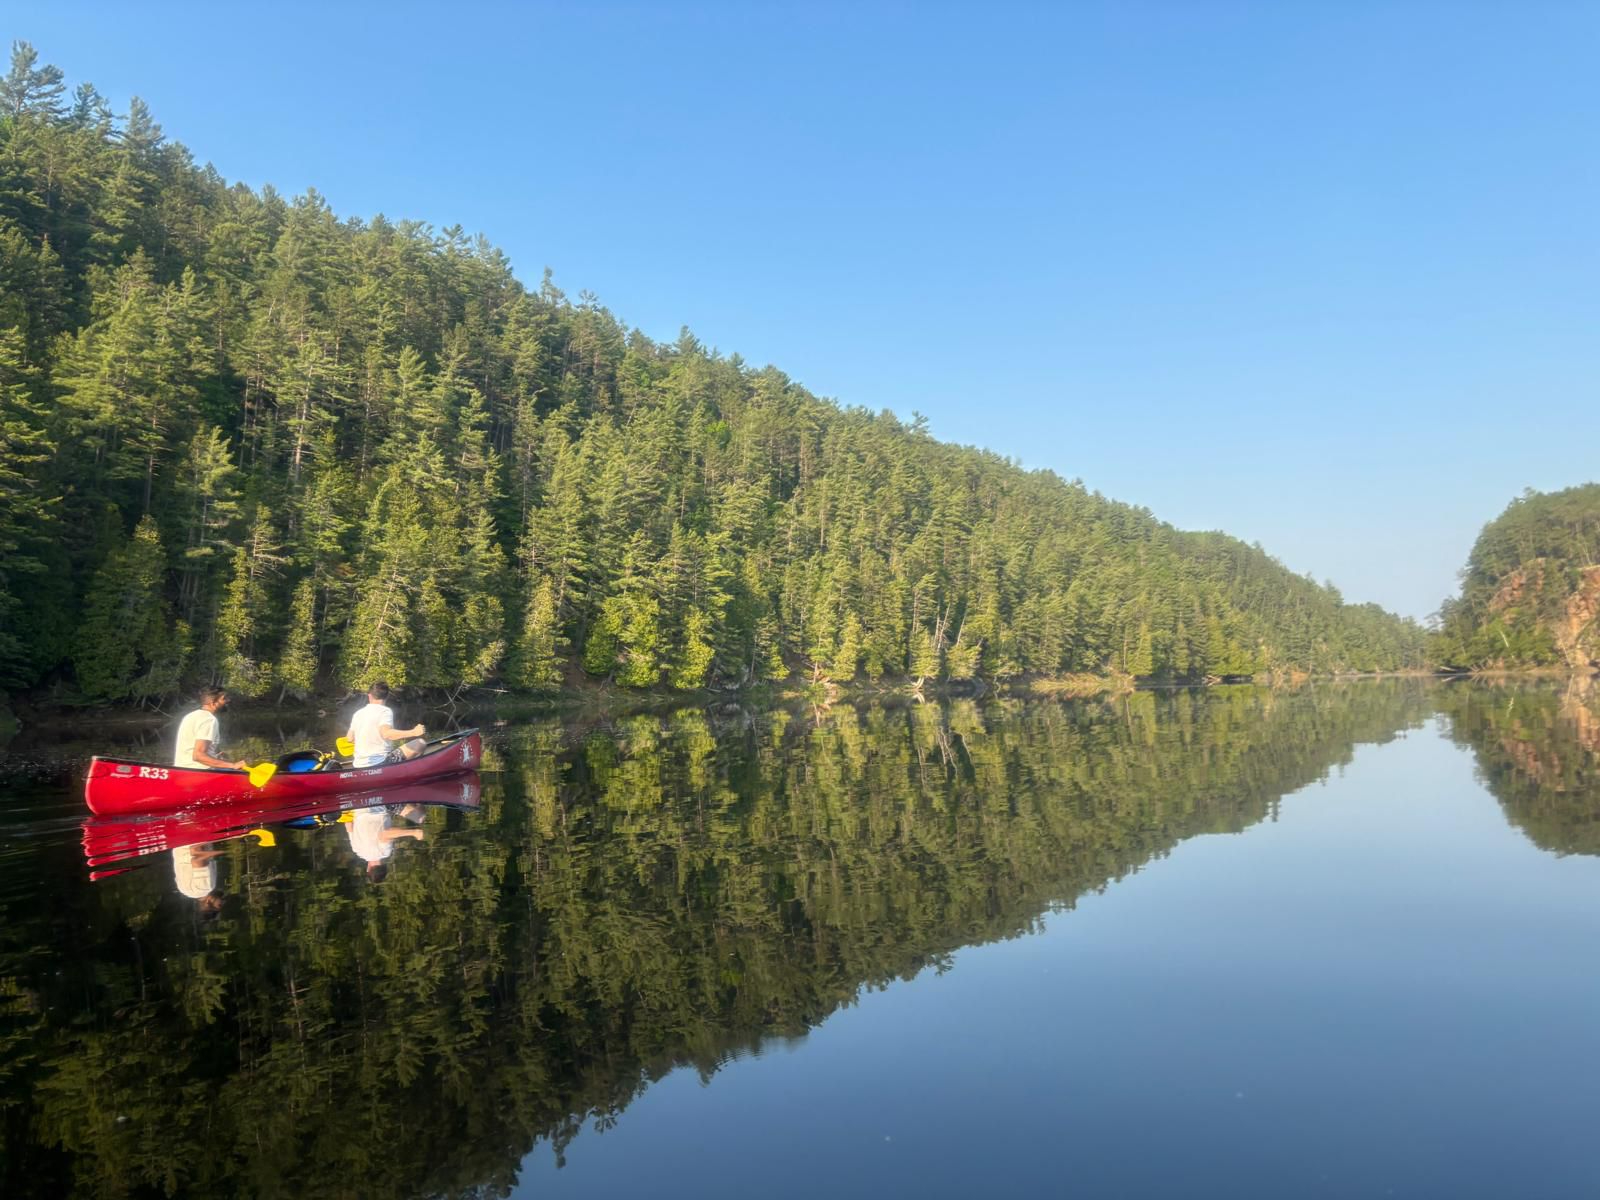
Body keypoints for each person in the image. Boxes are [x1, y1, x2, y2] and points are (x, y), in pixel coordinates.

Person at [346, 680, 425, 767]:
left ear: (369, 696)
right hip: (381, 763)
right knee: (420, 743)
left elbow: (350, 738)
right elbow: (386, 734)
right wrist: (414, 732)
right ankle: (411, 771)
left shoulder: (358, 714)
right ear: (387, 696)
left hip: (358, 765)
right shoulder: (385, 711)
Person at [174, 686, 249, 771]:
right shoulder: (209, 719)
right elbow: (198, 756)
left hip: (181, 769)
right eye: (224, 698)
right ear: (213, 702)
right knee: (239, 771)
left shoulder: (190, 716)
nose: (228, 700)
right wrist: (233, 765)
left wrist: (216, 756)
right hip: (199, 771)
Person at [344, 804, 425, 882]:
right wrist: (347, 806)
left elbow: (384, 834)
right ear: (368, 869)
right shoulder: (357, 850)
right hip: (357, 808)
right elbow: (349, 826)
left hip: (380, 805)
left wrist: (413, 832)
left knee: (419, 817)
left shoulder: (384, 853)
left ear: (384, 866)